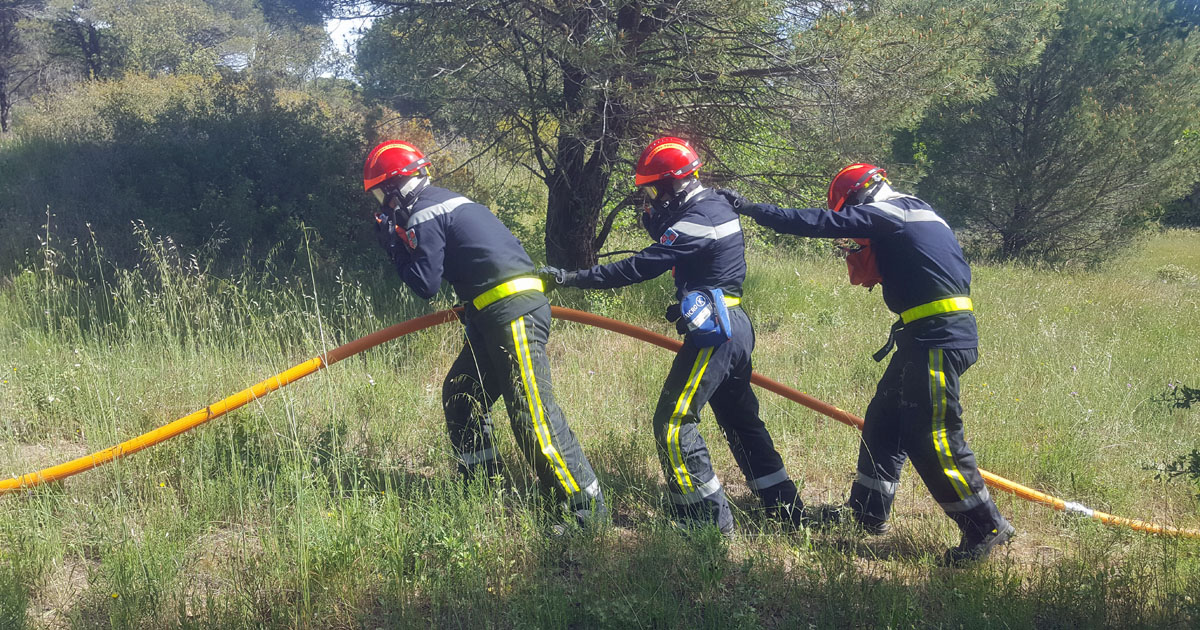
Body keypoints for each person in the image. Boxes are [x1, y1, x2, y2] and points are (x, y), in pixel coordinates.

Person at [718, 163, 1014, 563]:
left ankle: (985, 526)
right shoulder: (916, 210)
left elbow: (821, 222)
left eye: (850, 214)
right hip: (923, 335)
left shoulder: (890, 213)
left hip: (937, 338)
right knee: (884, 420)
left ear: (859, 197)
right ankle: (867, 513)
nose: (852, 236)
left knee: (932, 437)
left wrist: (750, 208)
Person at [539, 136, 804, 534]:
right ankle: (786, 511)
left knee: (674, 422)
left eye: (656, 189)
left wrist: (571, 277)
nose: (653, 198)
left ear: (677, 183)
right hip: (733, 324)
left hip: (716, 333)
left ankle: (706, 522)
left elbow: (638, 267)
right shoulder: (712, 204)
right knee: (741, 420)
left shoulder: (698, 219)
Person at [363, 140, 606, 528]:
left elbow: (425, 285)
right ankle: (481, 486)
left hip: (512, 316)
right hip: (493, 316)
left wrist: (394, 247)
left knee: (532, 416)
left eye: (380, 193)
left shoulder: (425, 213)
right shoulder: (448, 201)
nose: (381, 204)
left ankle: (586, 513)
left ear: (395, 187)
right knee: (462, 394)